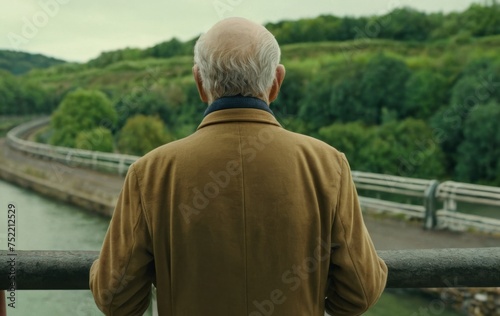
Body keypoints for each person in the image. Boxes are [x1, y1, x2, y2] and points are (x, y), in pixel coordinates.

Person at [89, 17, 387, 316]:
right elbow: (359, 292)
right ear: (276, 82)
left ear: (200, 83)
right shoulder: (328, 164)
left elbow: (116, 300)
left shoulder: (150, 172)